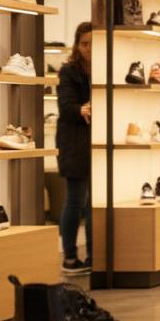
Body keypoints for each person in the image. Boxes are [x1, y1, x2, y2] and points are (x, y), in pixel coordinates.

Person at [56, 23, 92, 275]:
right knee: (76, 199)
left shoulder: (104, 70)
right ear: (77, 45)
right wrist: (82, 109)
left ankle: (94, 254)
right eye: (84, 43)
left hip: (95, 140)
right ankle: (69, 256)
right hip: (74, 141)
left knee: (94, 203)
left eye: (92, 43)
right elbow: (66, 107)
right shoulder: (69, 71)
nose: (88, 49)